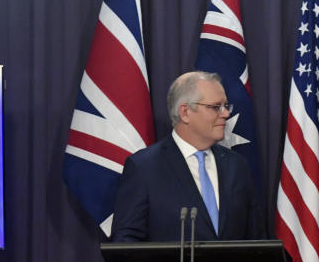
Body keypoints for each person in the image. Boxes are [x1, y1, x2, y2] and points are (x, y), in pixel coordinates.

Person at [111, 71, 265, 242]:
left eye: (226, 106)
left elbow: (257, 239)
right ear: (185, 112)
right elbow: (126, 242)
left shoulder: (237, 166)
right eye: (215, 107)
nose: (226, 114)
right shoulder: (144, 168)